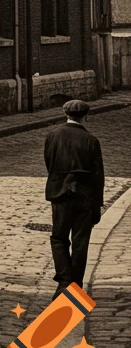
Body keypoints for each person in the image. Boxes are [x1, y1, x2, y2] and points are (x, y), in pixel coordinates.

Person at [44, 99, 105, 295]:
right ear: (86, 116)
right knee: (80, 241)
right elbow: (98, 176)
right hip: (85, 196)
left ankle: (64, 280)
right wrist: (98, 205)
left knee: (59, 238)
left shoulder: (52, 136)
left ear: (65, 114)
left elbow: (49, 163)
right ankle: (75, 286)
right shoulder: (91, 140)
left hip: (60, 194)